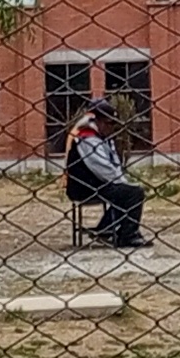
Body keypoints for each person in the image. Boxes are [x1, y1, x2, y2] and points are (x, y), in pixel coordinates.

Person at [61, 99, 146, 250]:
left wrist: (123, 182)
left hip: (99, 183)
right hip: (84, 186)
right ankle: (127, 235)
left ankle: (107, 228)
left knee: (128, 192)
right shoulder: (87, 138)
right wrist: (121, 183)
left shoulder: (104, 138)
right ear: (97, 121)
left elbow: (114, 165)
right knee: (133, 193)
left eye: (113, 124)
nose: (111, 127)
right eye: (108, 123)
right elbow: (101, 167)